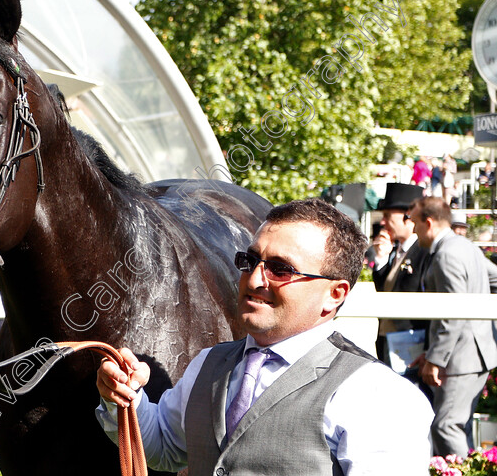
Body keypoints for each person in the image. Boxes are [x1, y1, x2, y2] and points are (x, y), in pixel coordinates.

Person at [95, 198, 432, 475]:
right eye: (250, 260)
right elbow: (166, 448)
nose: (254, 279)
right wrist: (125, 397)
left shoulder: (378, 395)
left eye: (280, 269)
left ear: (335, 294)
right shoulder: (207, 364)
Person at [409, 196, 497, 457]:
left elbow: (453, 314)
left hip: (461, 358)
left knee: (446, 426)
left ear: (428, 223)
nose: (413, 230)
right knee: (459, 426)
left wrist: (436, 358)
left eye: (414, 223)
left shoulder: (447, 253)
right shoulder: (465, 246)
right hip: (472, 354)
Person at [371, 183, 431, 364]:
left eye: (388, 216)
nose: (383, 222)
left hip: (411, 343)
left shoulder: (423, 251)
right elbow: (384, 289)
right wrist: (381, 259)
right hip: (388, 339)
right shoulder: (396, 251)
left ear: (408, 218)